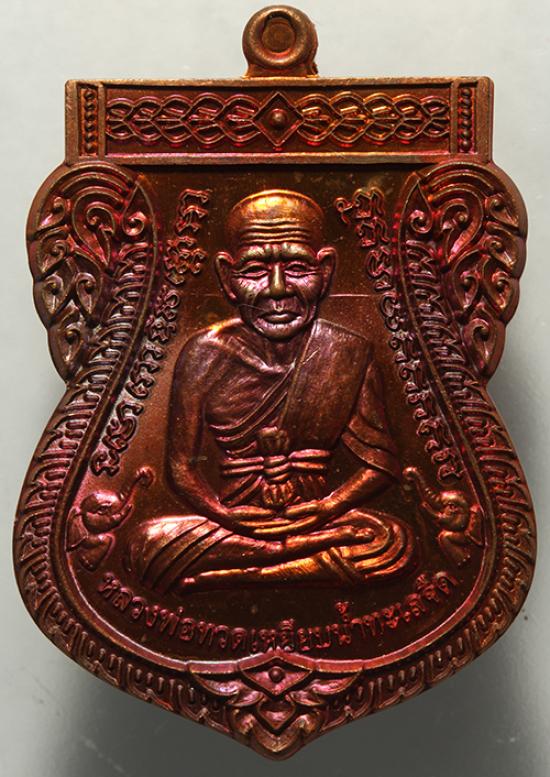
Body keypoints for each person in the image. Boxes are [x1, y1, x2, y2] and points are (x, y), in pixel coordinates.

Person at [126, 190, 414, 594]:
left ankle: (242, 574)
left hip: (316, 519)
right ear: (227, 278)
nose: (277, 289)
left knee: (389, 540)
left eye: (297, 267)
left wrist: (325, 509)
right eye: (254, 271)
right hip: (233, 523)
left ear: (326, 271)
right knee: (145, 545)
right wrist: (226, 516)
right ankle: (292, 561)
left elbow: (381, 463)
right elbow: (181, 470)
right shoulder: (204, 354)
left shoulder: (347, 352)